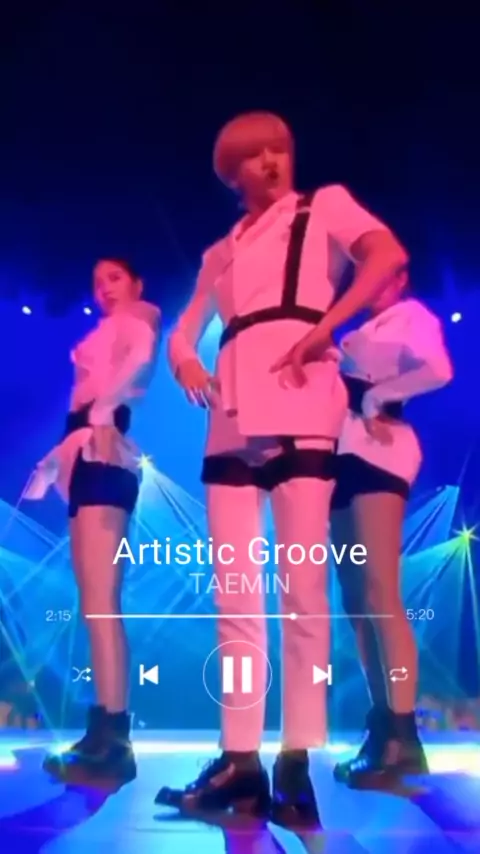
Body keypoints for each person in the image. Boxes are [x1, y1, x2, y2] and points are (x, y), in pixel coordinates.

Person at [155, 111, 408, 824]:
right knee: (236, 593)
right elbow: (184, 326)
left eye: (279, 149)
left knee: (302, 591)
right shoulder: (222, 248)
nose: (270, 161)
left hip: (300, 393)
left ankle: (295, 762)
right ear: (231, 173)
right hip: (231, 409)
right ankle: (240, 761)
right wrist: (185, 359)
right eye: (253, 154)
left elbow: (385, 254)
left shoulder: (323, 206)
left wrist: (328, 326)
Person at [24, 258, 160, 785]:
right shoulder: (101, 335)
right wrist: (51, 462)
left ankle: (115, 738)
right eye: (98, 282)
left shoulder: (138, 321)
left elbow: (141, 360)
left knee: (102, 604)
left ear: (137, 283)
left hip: (107, 457)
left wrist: (106, 403)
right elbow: (78, 416)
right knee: (92, 603)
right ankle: (102, 727)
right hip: (84, 457)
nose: (104, 288)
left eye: (115, 278)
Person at [328, 269, 453, 788]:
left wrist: (379, 395)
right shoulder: (354, 330)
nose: (371, 282)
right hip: (340, 455)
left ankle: (403, 734)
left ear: (401, 276)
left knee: (381, 591)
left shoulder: (411, 316)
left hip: (380, 449)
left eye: (381, 274)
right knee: (356, 600)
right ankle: (382, 726)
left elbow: (438, 369)